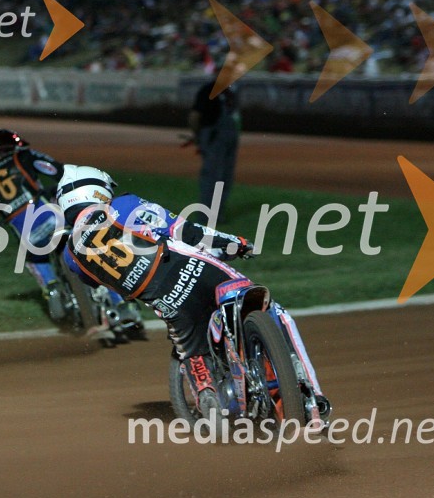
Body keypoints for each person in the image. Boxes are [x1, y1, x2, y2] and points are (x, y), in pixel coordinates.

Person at [57, 165, 328, 419]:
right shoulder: (120, 205)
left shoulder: (71, 256)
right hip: (194, 270)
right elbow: (183, 230)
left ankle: (205, 388)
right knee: (270, 309)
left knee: (189, 348)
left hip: (164, 301)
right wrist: (236, 244)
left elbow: (99, 284)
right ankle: (312, 398)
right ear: (95, 189)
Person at [0, 126, 143, 337]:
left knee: (33, 259)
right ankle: (121, 304)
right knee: (91, 251)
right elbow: (58, 171)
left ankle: (52, 287)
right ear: (11, 146)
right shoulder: (23, 156)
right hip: (54, 218)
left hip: (29, 235)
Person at [187, 80, 241, 221]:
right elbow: (194, 116)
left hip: (228, 137)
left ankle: (217, 214)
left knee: (225, 177)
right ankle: (205, 216)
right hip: (214, 136)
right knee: (212, 176)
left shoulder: (231, 91)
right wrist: (198, 135)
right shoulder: (209, 89)